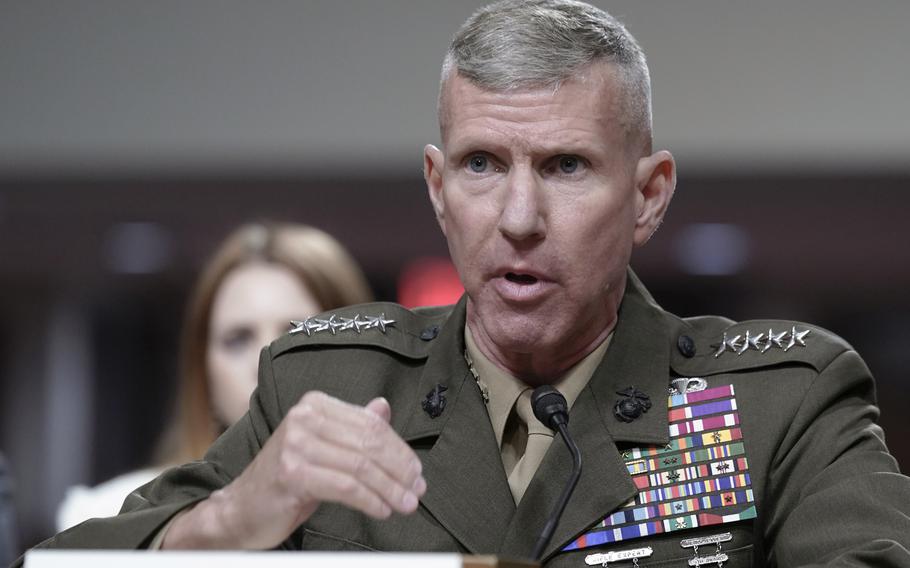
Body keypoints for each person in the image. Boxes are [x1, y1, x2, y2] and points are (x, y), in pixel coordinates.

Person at [24, 1, 910, 567]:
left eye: (565, 166)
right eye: (483, 164)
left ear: (648, 195)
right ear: (439, 190)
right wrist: (234, 520)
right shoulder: (328, 383)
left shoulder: (777, 400)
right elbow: (69, 562)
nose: (518, 217)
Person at [55, 222, 373, 530]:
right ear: (202, 370)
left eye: (297, 334)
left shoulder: (413, 519)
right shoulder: (108, 517)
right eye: (238, 339)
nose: (265, 361)